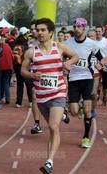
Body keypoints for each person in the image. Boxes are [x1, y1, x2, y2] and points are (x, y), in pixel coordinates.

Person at [21, 18, 78, 174]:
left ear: (50, 32)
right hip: (41, 97)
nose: (39, 33)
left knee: (53, 126)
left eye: (43, 30)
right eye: (37, 30)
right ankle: (49, 162)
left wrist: (68, 63)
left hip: (58, 93)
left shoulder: (59, 47)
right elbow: (22, 71)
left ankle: (49, 161)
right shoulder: (31, 52)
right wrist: (32, 75)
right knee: (52, 129)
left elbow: (75, 56)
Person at [65, 18, 103, 148]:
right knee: (74, 111)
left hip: (87, 78)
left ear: (84, 28)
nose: (76, 29)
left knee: (88, 111)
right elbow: (62, 56)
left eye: (79, 27)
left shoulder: (91, 44)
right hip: (73, 79)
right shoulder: (68, 42)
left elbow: (101, 58)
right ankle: (78, 108)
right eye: (74, 27)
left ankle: (86, 137)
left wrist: (101, 64)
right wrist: (65, 64)